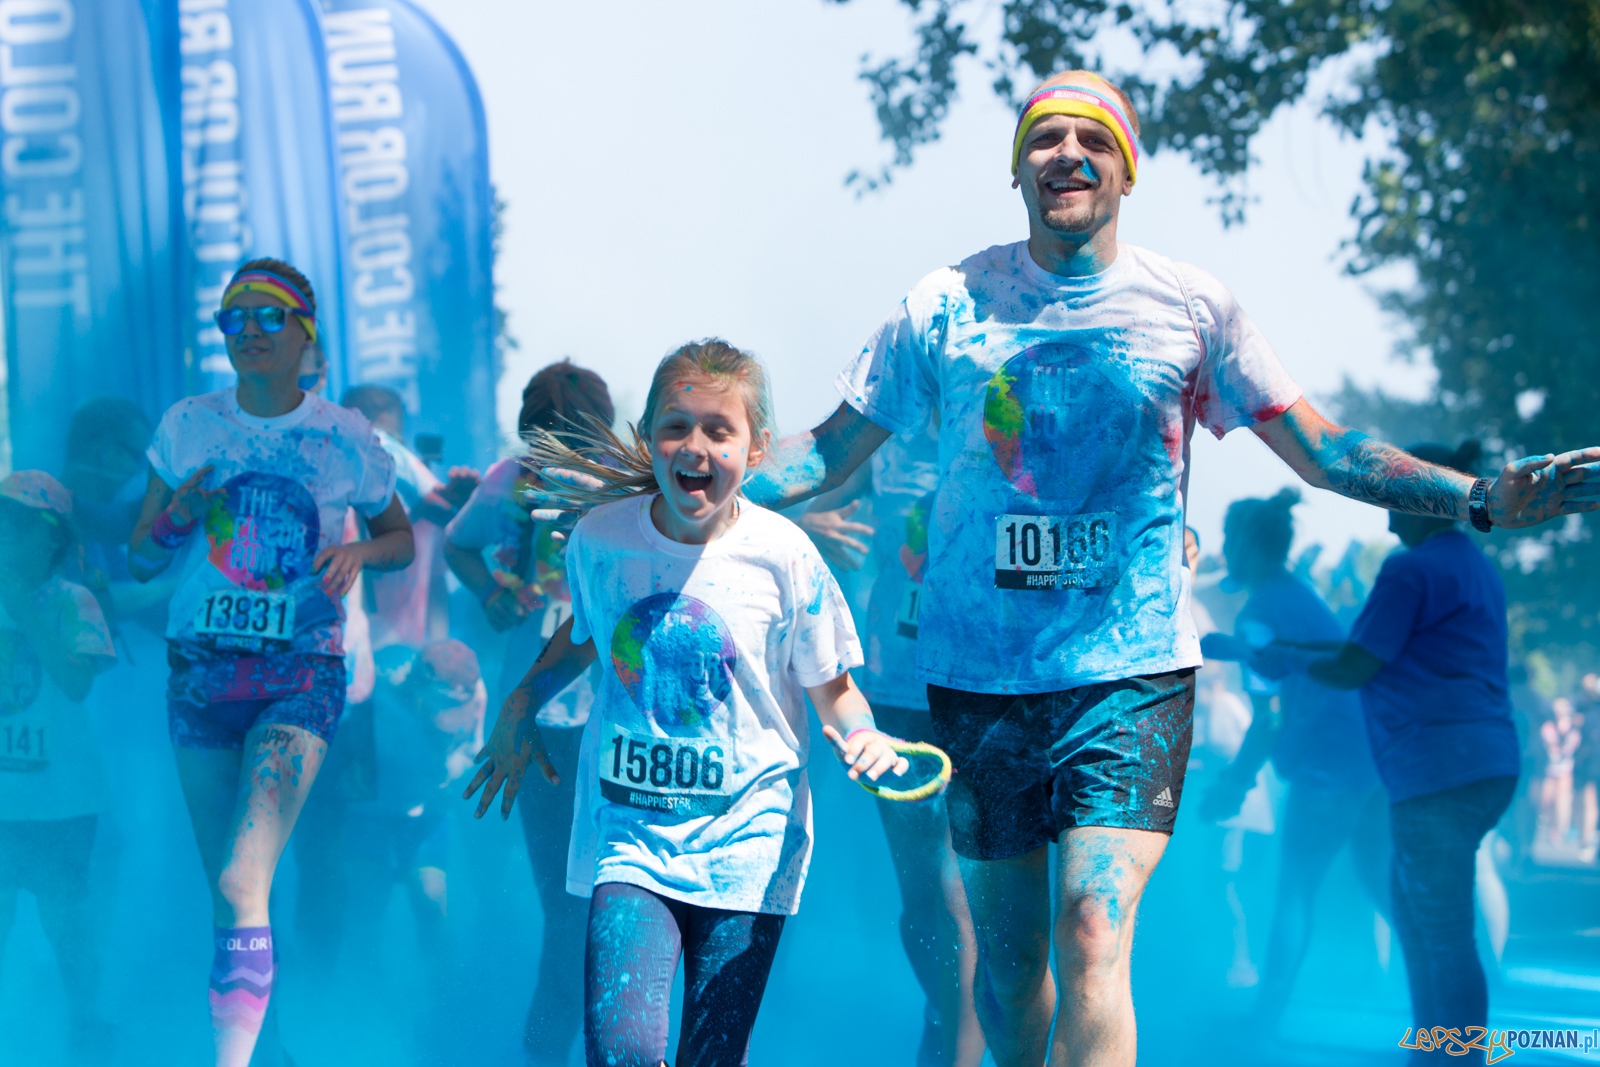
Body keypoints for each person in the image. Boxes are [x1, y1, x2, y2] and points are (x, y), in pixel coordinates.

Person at [516, 71, 1600, 1067]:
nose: (1067, 154)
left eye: (1092, 139)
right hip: (980, 684)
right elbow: (824, 455)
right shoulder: (945, 305)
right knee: (1010, 970)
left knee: (1091, 927)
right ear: (1019, 169)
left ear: (1126, 168)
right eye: (1045, 139)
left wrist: (1478, 497)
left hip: (1128, 677)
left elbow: (1322, 450)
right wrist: (678, 484)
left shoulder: (1192, 307)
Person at [467, 339, 909, 1067]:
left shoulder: (785, 555)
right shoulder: (601, 540)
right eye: (676, 426)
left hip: (748, 846)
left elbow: (834, 690)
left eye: (718, 430)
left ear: (755, 448)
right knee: (622, 1053)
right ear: (649, 437)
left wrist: (863, 735)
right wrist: (520, 704)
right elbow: (582, 637)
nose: (695, 446)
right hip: (632, 840)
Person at [128, 258, 413, 1067]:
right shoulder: (188, 424)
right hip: (201, 675)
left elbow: (401, 538)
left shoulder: (344, 434)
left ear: (305, 332)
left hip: (299, 673)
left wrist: (359, 550)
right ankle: (272, 1046)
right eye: (234, 318)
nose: (249, 331)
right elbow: (141, 558)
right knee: (231, 892)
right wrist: (177, 517)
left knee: (238, 880)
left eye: (269, 316)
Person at [1308, 441, 1522, 1064]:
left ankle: (1452, 1058)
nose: (1386, 519)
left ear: (1420, 500)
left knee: (1442, 933)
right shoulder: (1473, 564)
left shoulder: (1411, 571)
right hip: (1483, 760)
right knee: (1416, 914)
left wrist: (1288, 663)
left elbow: (1353, 665)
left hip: (1437, 769)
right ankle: (1435, 1052)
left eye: (1391, 500)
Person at [444, 358, 615, 1066]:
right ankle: (544, 1049)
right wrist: (491, 594)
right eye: (546, 438)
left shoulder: (629, 485)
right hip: (536, 721)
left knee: (603, 906)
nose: (561, 453)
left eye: (575, 438)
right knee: (566, 908)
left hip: (619, 724)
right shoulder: (510, 482)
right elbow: (458, 544)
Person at [809, 425, 986, 1067]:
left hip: (982, 691)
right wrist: (807, 525)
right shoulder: (884, 443)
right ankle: (945, 1012)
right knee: (919, 904)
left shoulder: (1006, 430)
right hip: (895, 694)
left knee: (954, 892)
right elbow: (803, 500)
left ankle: (959, 1048)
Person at [1197, 489, 1389, 1029]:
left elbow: (1269, 718)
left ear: (1252, 544)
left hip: (1329, 762)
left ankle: (1262, 1021)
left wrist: (1233, 783)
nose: (1225, 550)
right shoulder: (1298, 592)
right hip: (1367, 754)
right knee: (1382, 884)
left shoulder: (1261, 612)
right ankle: (1444, 1000)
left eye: (1229, 538)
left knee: (1296, 889)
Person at [0, 472, 118, 1062]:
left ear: (51, 536)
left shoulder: (75, 601)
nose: (5, 534)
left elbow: (76, 683)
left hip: (62, 801)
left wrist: (22, 607)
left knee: (64, 920)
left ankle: (85, 1025)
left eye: (17, 524)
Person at [342, 384, 479, 651]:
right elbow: (439, 506)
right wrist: (464, 501)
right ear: (388, 413)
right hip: (399, 623)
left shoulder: (339, 452)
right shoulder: (381, 443)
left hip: (364, 615)